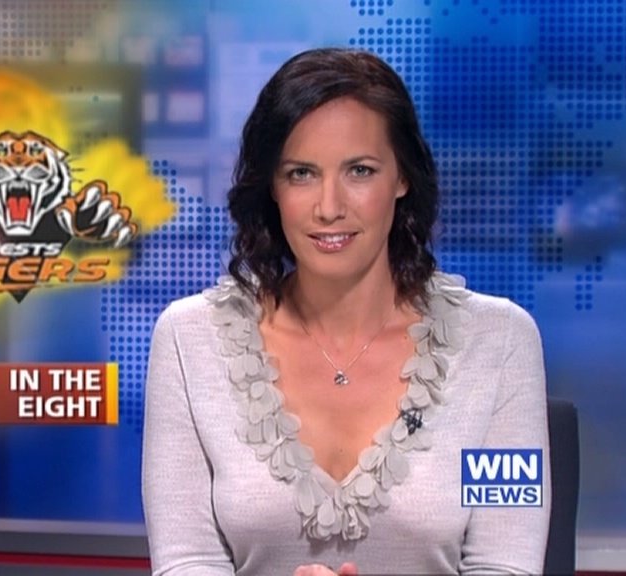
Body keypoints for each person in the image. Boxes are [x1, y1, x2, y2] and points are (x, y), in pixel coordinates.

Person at [141, 47, 550, 575]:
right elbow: (187, 562)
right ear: (272, 187)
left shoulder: (499, 344)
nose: (329, 207)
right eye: (301, 173)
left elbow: (505, 565)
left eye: (359, 170)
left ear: (402, 177)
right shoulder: (189, 340)